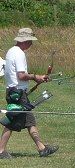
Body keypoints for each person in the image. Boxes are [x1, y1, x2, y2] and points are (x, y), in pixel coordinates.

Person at [0, 27, 57, 159]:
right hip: (18, 93)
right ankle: (1, 151)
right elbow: (21, 75)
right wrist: (35, 77)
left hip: (15, 92)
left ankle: (42, 148)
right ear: (25, 41)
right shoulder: (19, 53)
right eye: (30, 41)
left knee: (29, 121)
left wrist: (35, 77)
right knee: (11, 121)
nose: (31, 44)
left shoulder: (11, 51)